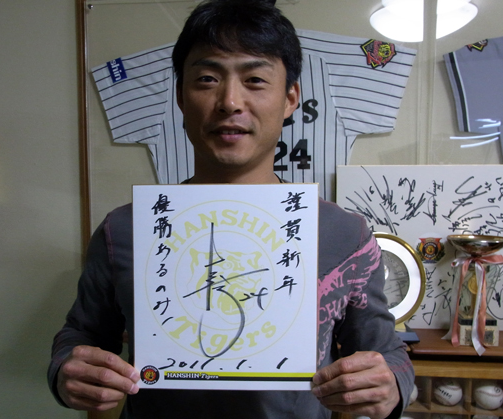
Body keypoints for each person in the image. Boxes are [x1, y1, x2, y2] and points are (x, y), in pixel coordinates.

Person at [48, 0, 414, 417]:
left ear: (290, 98)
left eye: (255, 79)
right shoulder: (124, 230)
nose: (230, 102)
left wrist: (390, 386)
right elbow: (80, 334)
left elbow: (388, 351)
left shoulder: (344, 234)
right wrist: (66, 372)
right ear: (180, 97)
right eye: (207, 79)